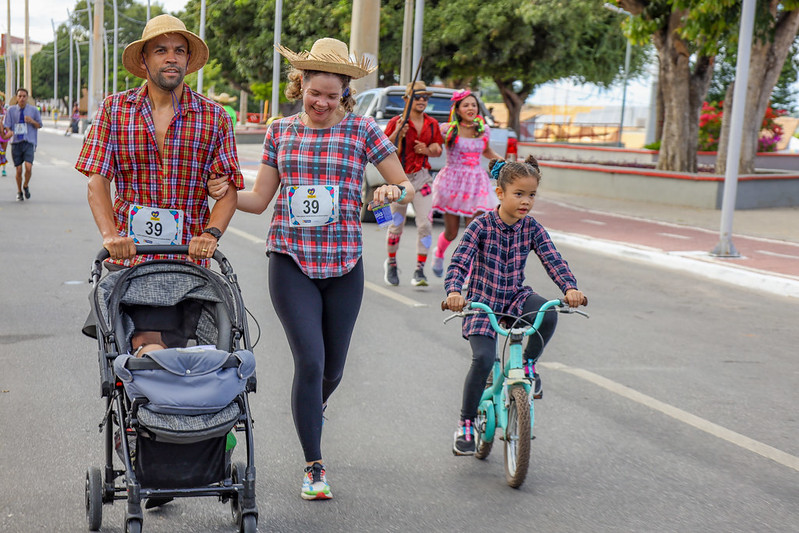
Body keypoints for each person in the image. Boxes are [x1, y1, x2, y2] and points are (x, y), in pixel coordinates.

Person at [209, 37, 414, 501]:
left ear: (345, 93)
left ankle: (311, 408)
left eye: (331, 95)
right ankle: (314, 466)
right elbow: (259, 200)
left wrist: (390, 193)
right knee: (311, 361)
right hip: (291, 260)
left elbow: (406, 186)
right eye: (313, 92)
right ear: (299, 84)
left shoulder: (363, 130)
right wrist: (221, 192)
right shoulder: (280, 131)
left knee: (333, 371)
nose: (321, 103)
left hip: (344, 263)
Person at [444, 156, 587, 456]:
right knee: (483, 359)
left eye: (532, 195)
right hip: (481, 303)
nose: (526, 201)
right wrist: (455, 292)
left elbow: (552, 258)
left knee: (547, 312)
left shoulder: (531, 228)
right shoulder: (481, 226)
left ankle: (529, 365)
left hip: (515, 298)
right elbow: (459, 263)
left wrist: (570, 287)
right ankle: (466, 423)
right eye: (519, 194)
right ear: (500, 193)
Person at [76, 14, 242, 269]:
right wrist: (111, 236)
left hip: (189, 260)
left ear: (188, 58)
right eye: (161, 50)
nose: (171, 58)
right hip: (128, 257)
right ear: (144, 59)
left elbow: (228, 189)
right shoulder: (114, 109)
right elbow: (97, 179)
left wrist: (210, 235)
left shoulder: (215, 117)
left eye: (179, 51)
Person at [430, 89, 502, 277]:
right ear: (457, 109)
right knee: (452, 232)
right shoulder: (447, 130)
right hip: (452, 183)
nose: (471, 108)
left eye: (474, 105)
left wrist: (503, 162)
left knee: (473, 233)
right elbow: (433, 145)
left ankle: (467, 274)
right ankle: (439, 253)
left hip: (476, 183)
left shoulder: (483, 129)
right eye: (466, 105)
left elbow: (486, 151)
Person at [381, 81, 444, 287]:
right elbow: (383, 149)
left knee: (425, 224)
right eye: (418, 97)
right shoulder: (396, 122)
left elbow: (438, 149)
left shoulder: (432, 124)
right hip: (399, 179)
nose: (422, 100)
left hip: (422, 178)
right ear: (407, 99)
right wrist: (398, 133)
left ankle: (420, 269)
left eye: (425, 97)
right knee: (396, 225)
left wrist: (427, 149)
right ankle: (391, 263)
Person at [3, 88, 42, 202]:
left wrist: (32, 121)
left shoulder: (33, 110)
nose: (22, 98)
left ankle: (26, 185)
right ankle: (19, 191)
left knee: (28, 167)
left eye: (24, 96)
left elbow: (39, 125)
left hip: (29, 141)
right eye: (20, 96)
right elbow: (7, 125)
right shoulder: (11, 110)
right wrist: (9, 131)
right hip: (16, 142)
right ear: (16, 98)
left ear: (27, 98)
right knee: (19, 169)